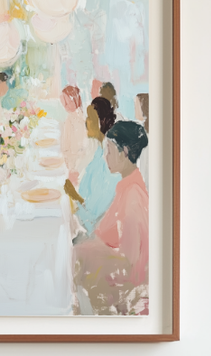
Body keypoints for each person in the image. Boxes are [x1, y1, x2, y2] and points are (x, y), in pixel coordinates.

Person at [73, 120, 149, 313]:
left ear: (124, 152)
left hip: (122, 283)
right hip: (109, 265)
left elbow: (131, 266)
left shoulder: (133, 197)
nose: (105, 156)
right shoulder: (126, 186)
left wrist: (83, 252)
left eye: (109, 151)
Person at [73, 95, 118, 236]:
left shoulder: (108, 159)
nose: (86, 122)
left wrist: (73, 196)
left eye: (90, 118)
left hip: (97, 236)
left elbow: (93, 220)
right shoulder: (99, 150)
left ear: (101, 122)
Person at [59, 84, 88, 181]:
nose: (65, 107)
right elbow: (65, 146)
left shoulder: (83, 117)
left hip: (81, 161)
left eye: (67, 103)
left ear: (74, 99)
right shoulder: (70, 119)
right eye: (63, 104)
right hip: (73, 162)